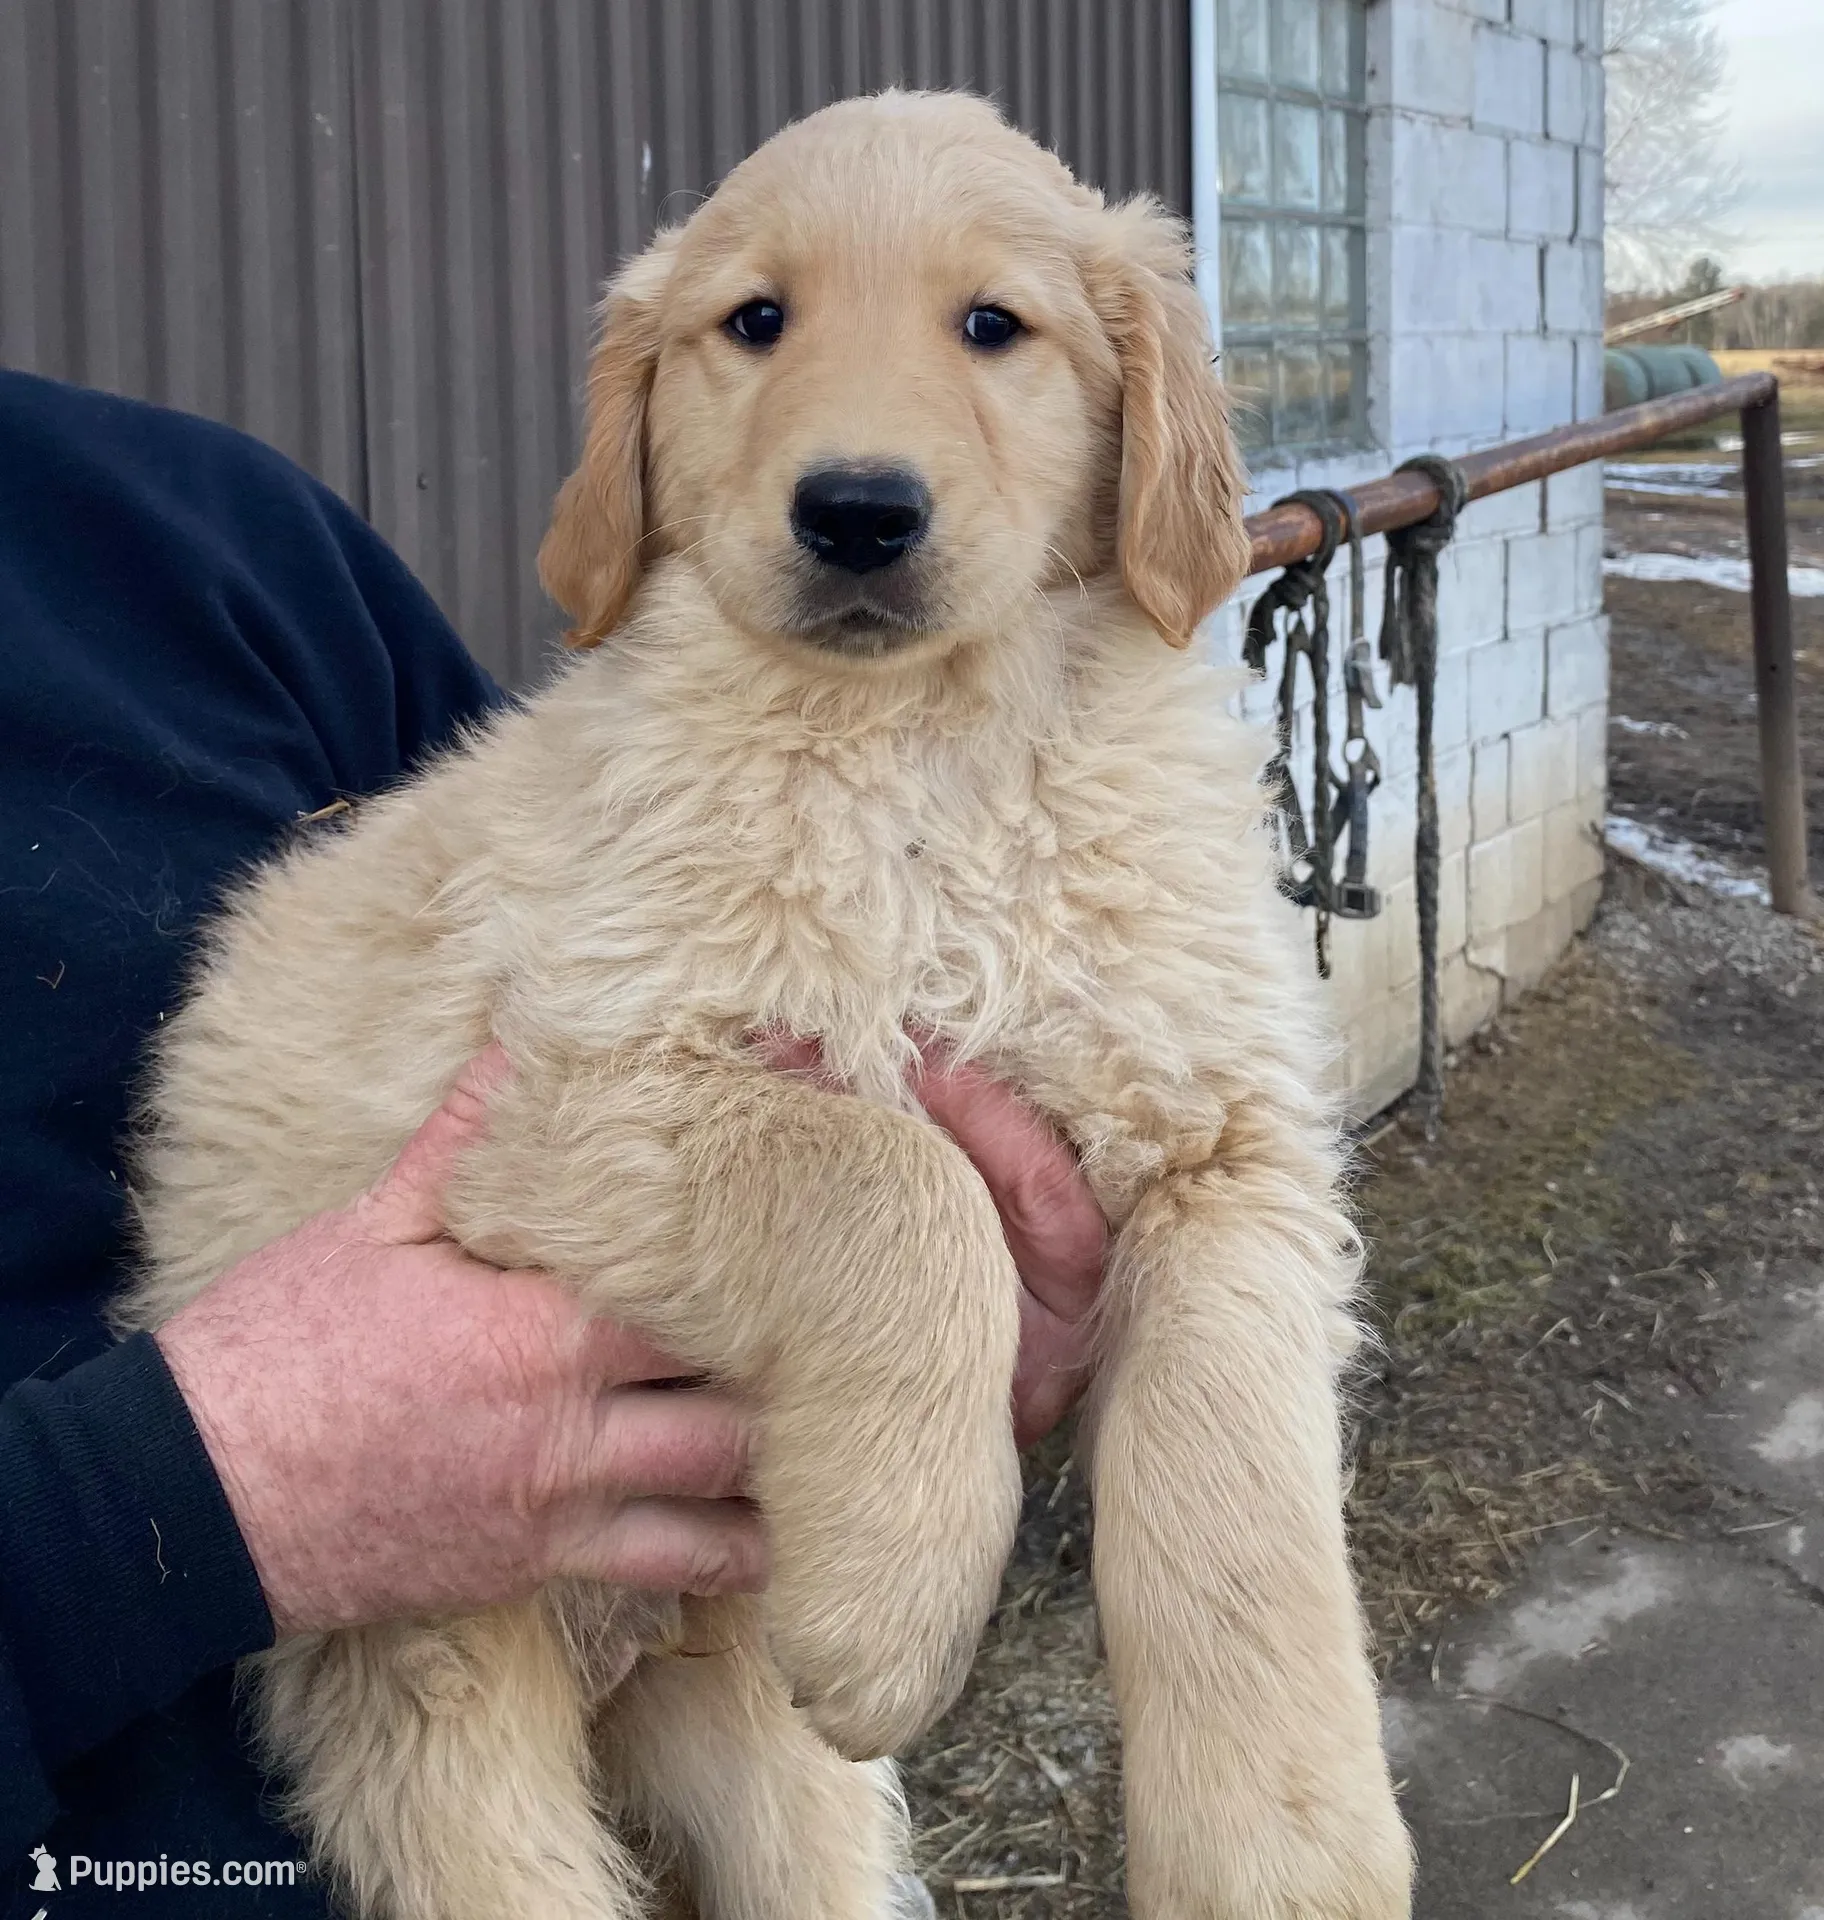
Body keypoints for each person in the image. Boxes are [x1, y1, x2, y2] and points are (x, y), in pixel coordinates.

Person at [0, 370, 1107, 1914]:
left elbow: (598, 1016)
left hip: (705, 1714)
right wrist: (166, 1506)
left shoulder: (220, 548)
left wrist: (941, 1325)